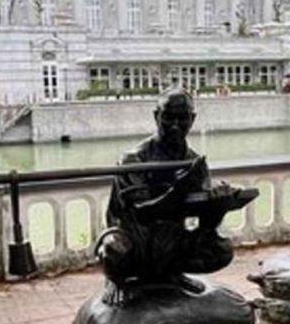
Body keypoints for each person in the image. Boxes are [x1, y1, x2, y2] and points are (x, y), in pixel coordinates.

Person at [96, 88, 248, 303]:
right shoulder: (133, 159)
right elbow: (143, 213)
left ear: (192, 119)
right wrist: (180, 190)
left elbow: (203, 222)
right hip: (134, 242)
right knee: (114, 249)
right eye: (168, 117)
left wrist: (218, 207)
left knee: (220, 249)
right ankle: (117, 281)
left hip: (170, 241)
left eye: (182, 117)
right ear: (156, 116)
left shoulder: (194, 163)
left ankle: (170, 274)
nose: (175, 125)